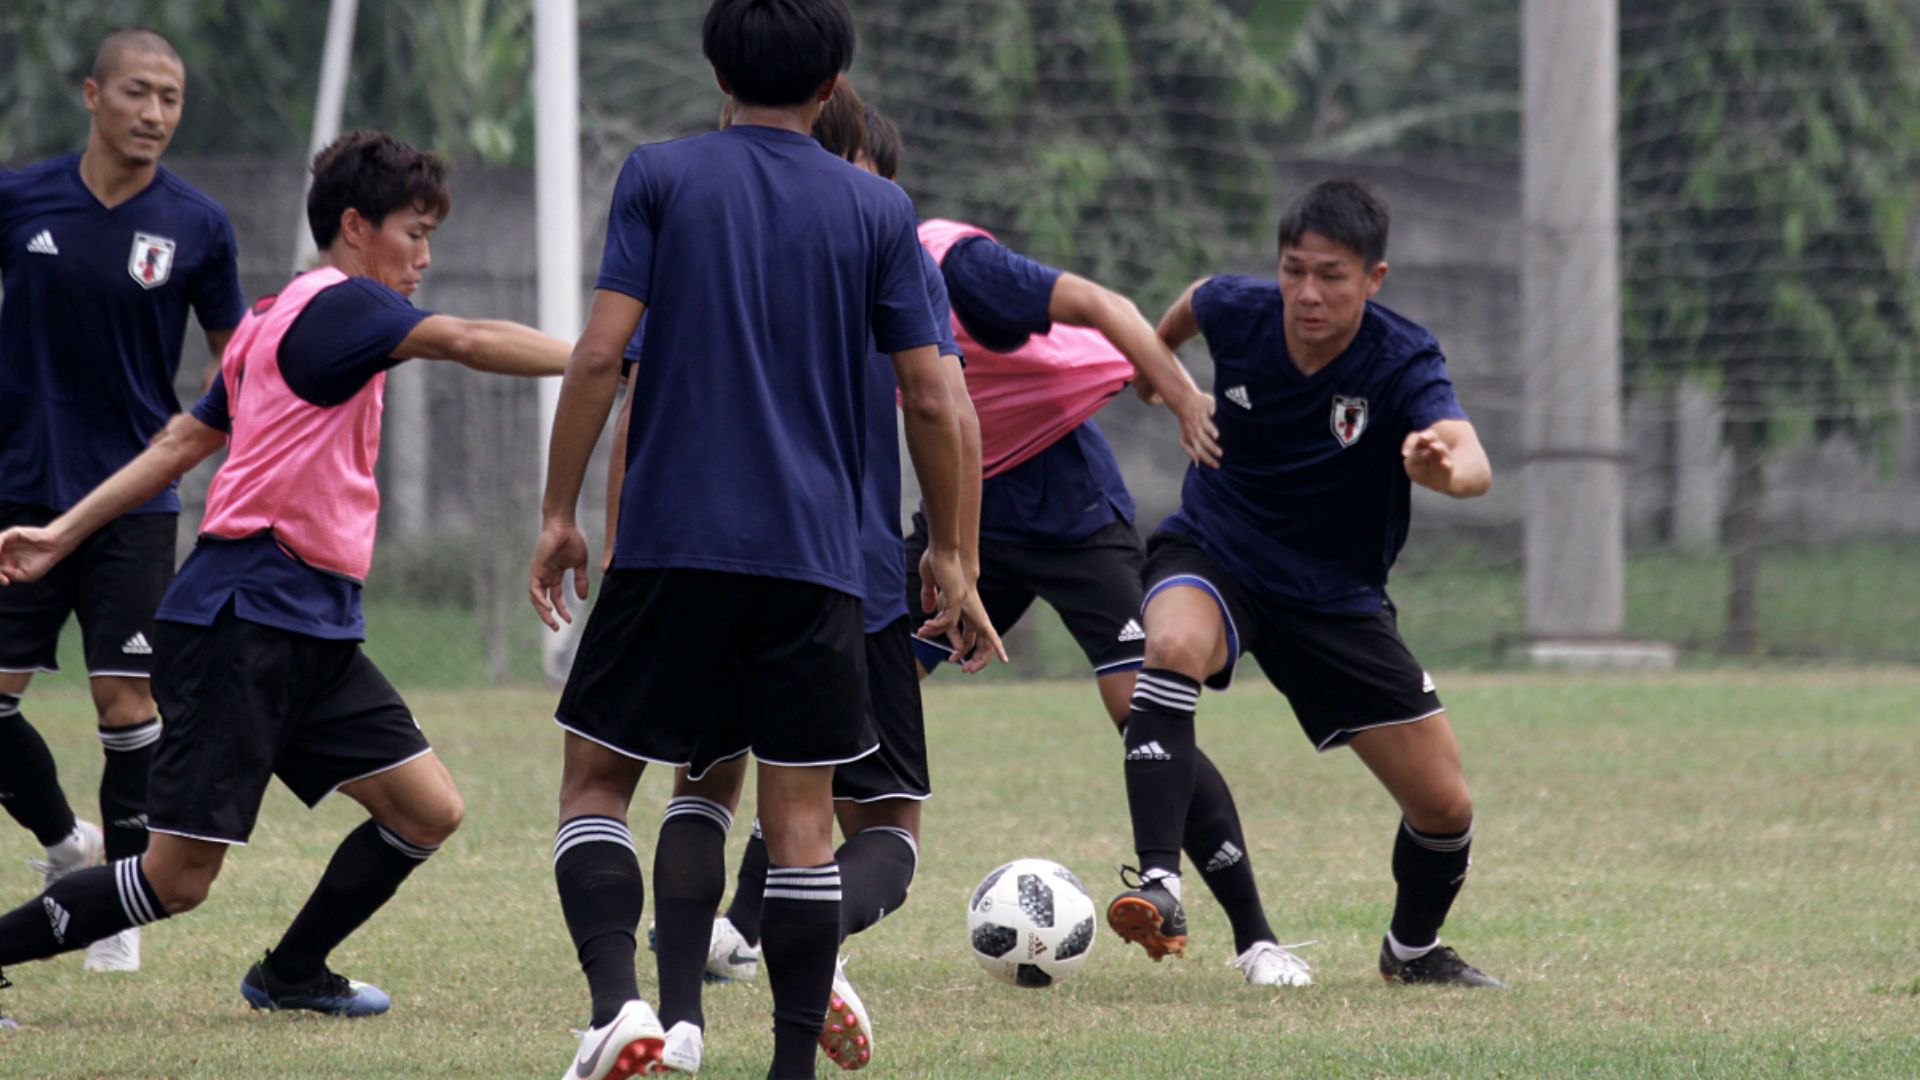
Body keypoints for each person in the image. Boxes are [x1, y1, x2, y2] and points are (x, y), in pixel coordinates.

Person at [0, 130, 575, 1028]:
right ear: (355, 226)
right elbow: (466, 338)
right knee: (176, 880)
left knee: (426, 809)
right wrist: (607, 355)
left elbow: (182, 444)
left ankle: (293, 972)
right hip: (247, 619)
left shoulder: (276, 317)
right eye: (413, 233)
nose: (425, 257)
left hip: (306, 621)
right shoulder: (345, 306)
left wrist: (61, 533)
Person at [528, 4, 993, 1078]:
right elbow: (933, 398)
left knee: (602, 781)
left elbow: (601, 357)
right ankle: (788, 1069)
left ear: (714, 72)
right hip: (820, 563)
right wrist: (953, 554)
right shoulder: (879, 209)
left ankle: (619, 1009)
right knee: (800, 827)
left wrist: (558, 514)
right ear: (833, 82)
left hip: (670, 545)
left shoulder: (659, 176)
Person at [877, 129, 1310, 986]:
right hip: (963, 522)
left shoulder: (959, 268)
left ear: (871, 178)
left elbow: (1108, 307)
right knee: (853, 675)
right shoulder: (836, 277)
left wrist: (1182, 393)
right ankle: (754, 923)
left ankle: (1255, 938)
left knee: (1140, 704)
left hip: (1072, 516)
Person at [1105, 178, 1504, 988]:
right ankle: (1159, 884)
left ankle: (1412, 952)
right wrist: (1168, 383)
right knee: (1174, 641)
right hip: (1220, 551)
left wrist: (1440, 468)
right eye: (1294, 271)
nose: (1308, 294)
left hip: (1333, 597)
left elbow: (1474, 464)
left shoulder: (1402, 358)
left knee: (1444, 808)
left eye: (1331, 275)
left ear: (1374, 278)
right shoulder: (1237, 309)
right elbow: (1179, 318)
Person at [0, 28, 245, 974]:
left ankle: (121, 898)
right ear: (94, 95)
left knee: (124, 696)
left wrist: (241, 465)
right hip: (17, 488)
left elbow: (239, 364)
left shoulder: (199, 223)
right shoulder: (20, 198)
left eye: (171, 99)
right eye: (138, 93)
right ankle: (69, 845)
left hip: (136, 500)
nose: (155, 114)